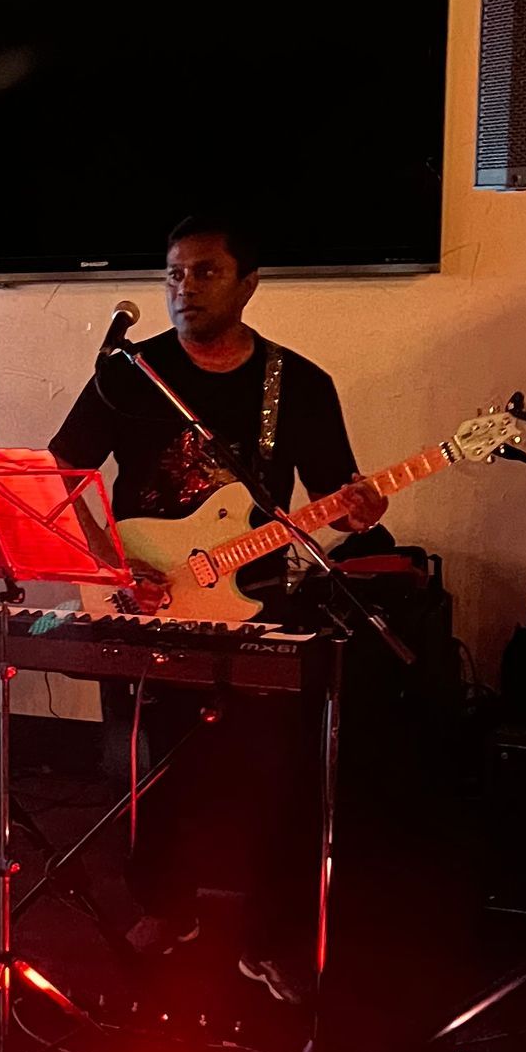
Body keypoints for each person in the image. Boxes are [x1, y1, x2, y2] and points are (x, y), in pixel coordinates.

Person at [50, 216, 387, 1003]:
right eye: (174, 273)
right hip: (145, 601)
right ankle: (165, 908)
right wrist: (109, 561)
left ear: (248, 283)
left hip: (258, 605)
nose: (184, 288)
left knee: (274, 775)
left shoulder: (298, 384)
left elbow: (336, 499)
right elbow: (59, 474)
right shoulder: (127, 373)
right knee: (150, 768)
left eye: (204, 272)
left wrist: (361, 509)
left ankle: (268, 935)